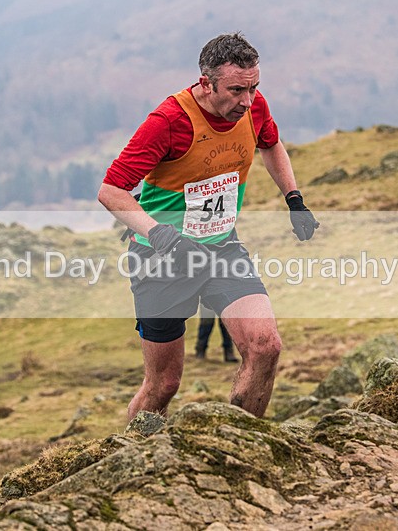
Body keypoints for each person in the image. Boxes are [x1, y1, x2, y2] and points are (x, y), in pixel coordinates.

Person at [98, 32, 319, 420]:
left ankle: (243, 444)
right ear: (206, 82)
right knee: (163, 385)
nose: (246, 101)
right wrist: (162, 235)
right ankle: (131, 460)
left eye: (253, 88)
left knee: (265, 346)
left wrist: (294, 198)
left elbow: (271, 143)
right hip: (161, 259)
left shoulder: (254, 106)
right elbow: (112, 191)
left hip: (220, 248)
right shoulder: (169, 121)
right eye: (236, 90)